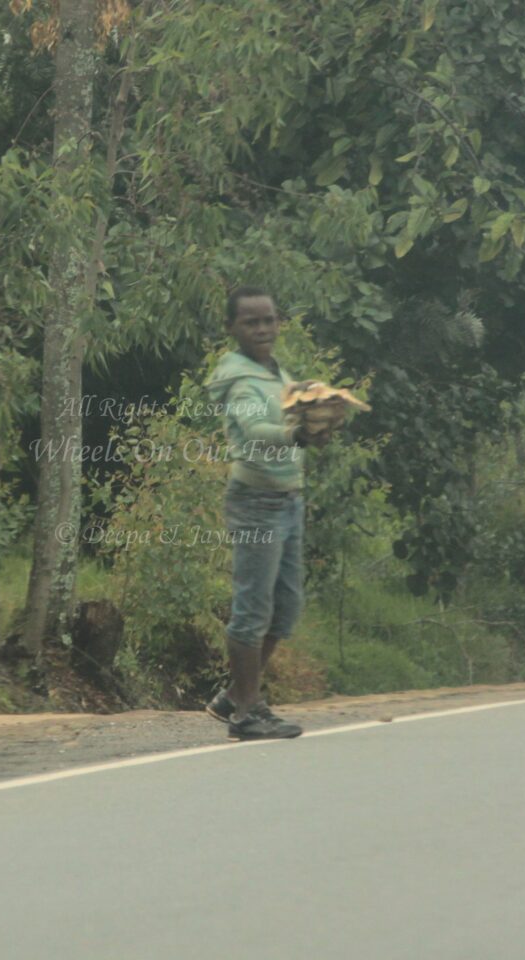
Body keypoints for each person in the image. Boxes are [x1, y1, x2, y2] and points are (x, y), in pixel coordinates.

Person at [205, 286, 330, 741]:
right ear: (232, 328)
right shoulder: (237, 378)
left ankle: (235, 695)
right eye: (250, 322)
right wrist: (295, 433)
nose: (262, 329)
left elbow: (291, 417)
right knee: (253, 609)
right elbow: (254, 428)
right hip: (256, 502)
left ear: (280, 323)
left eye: (269, 320)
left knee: (287, 607)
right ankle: (246, 712)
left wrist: (320, 413)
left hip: (289, 499)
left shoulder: (277, 373)